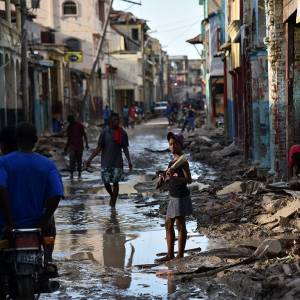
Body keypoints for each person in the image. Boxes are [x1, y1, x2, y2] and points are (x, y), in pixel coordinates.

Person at [0, 122, 64, 261]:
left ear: (17, 140)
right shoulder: (48, 164)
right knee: (50, 229)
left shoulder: (3, 162)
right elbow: (56, 194)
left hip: (8, 227)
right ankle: (48, 261)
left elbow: (1, 188)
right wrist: (42, 222)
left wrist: (10, 223)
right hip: (37, 226)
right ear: (36, 140)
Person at [155, 132, 192, 263]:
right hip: (173, 196)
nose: (172, 146)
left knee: (180, 225)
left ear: (180, 145)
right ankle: (170, 254)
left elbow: (189, 180)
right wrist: (162, 179)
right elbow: (168, 178)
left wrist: (175, 177)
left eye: (175, 143)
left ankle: (179, 255)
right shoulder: (172, 162)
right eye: (170, 144)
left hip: (180, 196)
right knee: (168, 224)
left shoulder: (183, 161)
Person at [85, 113, 132, 207]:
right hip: (106, 162)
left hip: (117, 162)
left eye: (117, 120)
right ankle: (112, 196)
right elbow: (99, 148)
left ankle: (113, 203)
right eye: (114, 120)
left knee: (115, 182)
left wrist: (129, 161)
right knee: (106, 182)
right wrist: (89, 159)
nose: (116, 122)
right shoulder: (104, 132)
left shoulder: (122, 133)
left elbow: (125, 148)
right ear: (110, 121)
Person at [64, 115, 89, 180]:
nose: (70, 122)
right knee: (72, 160)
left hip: (79, 146)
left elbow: (84, 135)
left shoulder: (79, 126)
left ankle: (79, 174)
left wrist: (86, 144)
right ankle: (72, 174)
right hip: (72, 147)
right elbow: (68, 138)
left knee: (79, 161)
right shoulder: (69, 127)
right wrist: (66, 148)